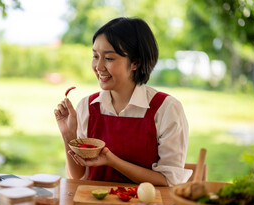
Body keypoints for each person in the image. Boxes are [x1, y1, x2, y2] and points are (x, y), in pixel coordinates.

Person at [54, 17, 191, 186]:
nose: (99, 66)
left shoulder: (166, 109)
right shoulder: (87, 107)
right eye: (95, 56)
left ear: (136, 62)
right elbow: (78, 177)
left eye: (109, 58)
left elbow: (168, 180)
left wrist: (112, 161)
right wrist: (69, 134)